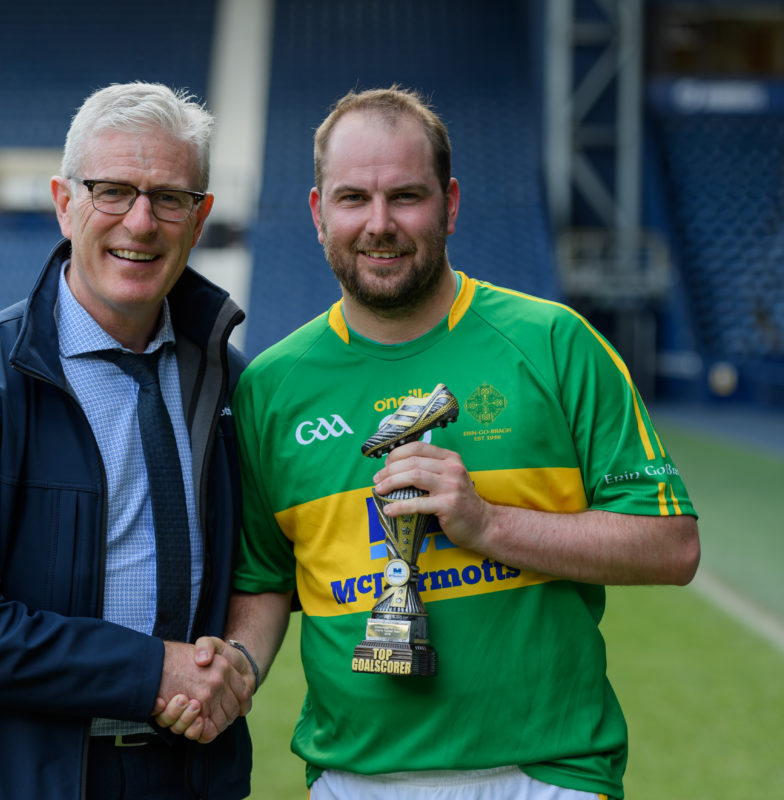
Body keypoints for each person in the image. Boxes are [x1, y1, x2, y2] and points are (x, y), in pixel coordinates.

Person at [158, 86, 700, 799]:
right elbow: (264, 582)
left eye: (405, 197)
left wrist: (488, 523)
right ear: (320, 213)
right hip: (356, 778)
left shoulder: (554, 343)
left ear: (449, 203)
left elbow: (672, 546)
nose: (379, 224)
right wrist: (232, 670)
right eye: (353, 199)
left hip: (547, 773)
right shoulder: (271, 387)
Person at [0, 81, 254, 800]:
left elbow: (260, 573)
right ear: (63, 201)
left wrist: (230, 665)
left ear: (200, 216)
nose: (139, 222)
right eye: (111, 190)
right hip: (9, 778)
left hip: (183, 775)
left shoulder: (230, 384)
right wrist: (149, 671)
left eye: (168, 197)